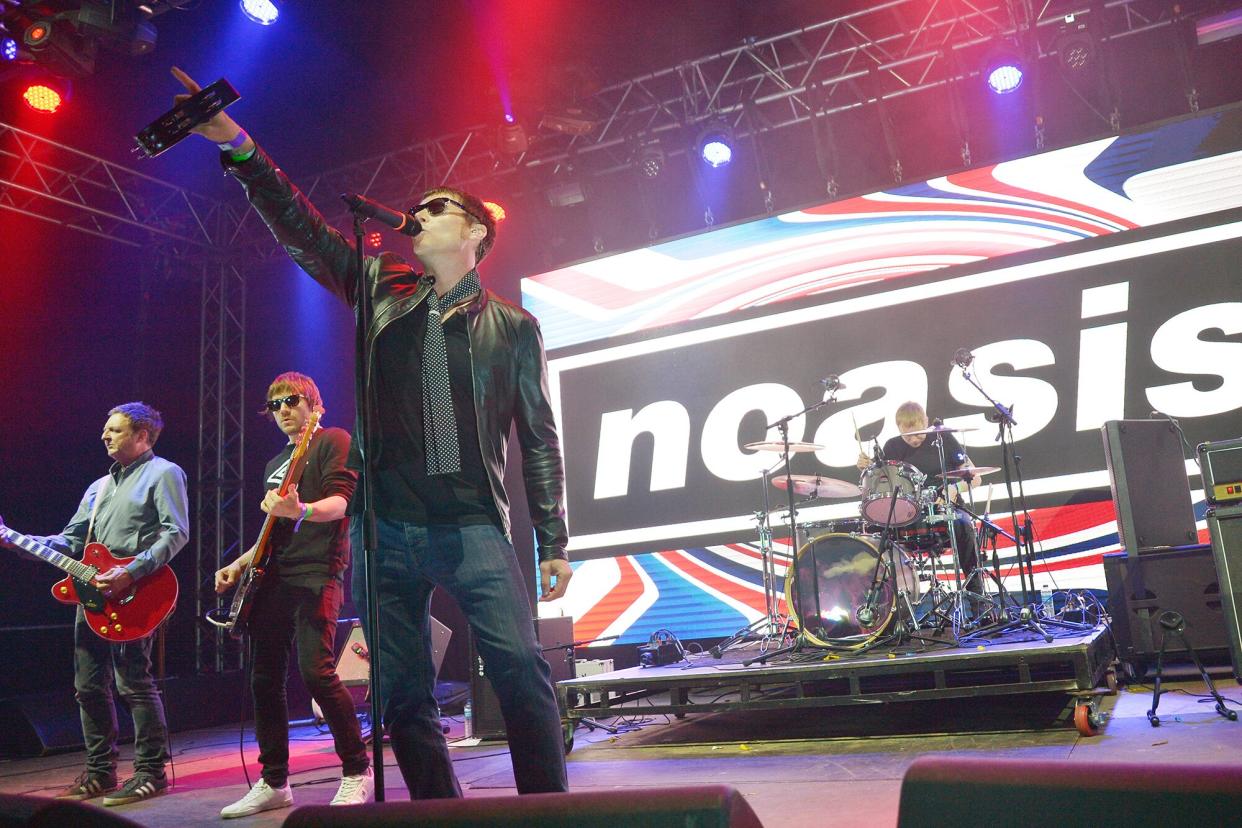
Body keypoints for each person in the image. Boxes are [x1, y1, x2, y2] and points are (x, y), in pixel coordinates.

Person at [171, 67, 573, 799]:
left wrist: (553, 539)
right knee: (402, 697)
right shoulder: (381, 288)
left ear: (476, 230)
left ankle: (547, 811)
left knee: (518, 669)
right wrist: (235, 145)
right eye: (414, 208)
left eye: (437, 208)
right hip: (387, 527)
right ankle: (437, 814)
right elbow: (302, 229)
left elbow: (540, 440)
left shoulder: (514, 328)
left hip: (472, 523)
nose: (417, 214)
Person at [2, 403, 188, 806]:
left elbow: (175, 532)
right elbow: (70, 542)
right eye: (105, 429)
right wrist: (13, 538)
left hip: (136, 593)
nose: (105, 435)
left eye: (115, 430)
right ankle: (101, 772)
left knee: (134, 683)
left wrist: (130, 572)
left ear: (143, 436)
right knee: (87, 687)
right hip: (92, 599)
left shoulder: (164, 473)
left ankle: (150, 772)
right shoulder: (97, 487)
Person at [214, 372, 371, 817]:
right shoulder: (273, 465)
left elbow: (342, 502)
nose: (283, 409)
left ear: (314, 403)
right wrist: (239, 564)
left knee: (317, 672)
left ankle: (358, 771)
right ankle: (274, 781)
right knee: (264, 678)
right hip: (274, 577)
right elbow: (272, 527)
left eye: (291, 400)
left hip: (317, 571)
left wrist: (301, 508)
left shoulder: (332, 441)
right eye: (275, 404)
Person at [858, 401, 983, 595]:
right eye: (908, 436)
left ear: (925, 421)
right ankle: (887, 603)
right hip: (908, 515)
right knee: (876, 534)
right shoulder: (892, 446)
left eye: (918, 433)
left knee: (964, 525)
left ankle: (977, 598)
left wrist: (954, 488)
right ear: (898, 429)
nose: (914, 440)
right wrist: (867, 467)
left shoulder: (944, 439)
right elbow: (880, 481)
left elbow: (975, 478)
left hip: (946, 509)